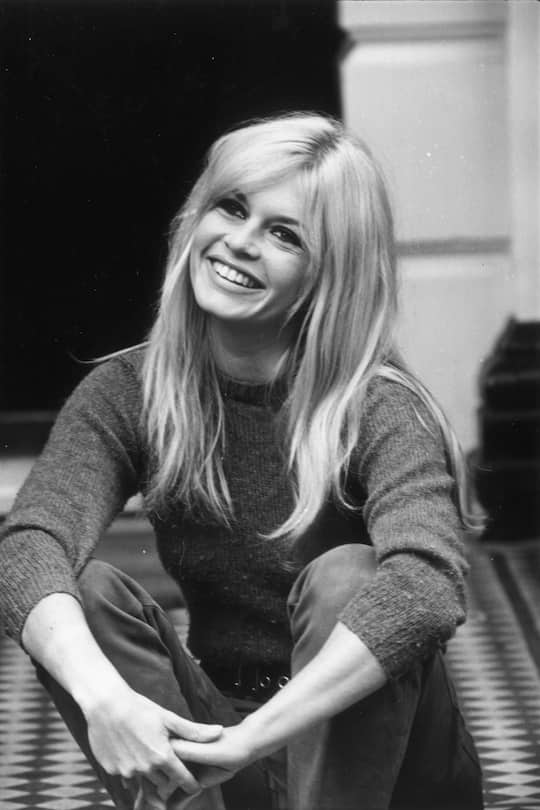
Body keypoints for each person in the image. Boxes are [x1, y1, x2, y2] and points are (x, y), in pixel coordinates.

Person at [0, 112, 483, 810]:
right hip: (228, 751)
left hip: (389, 762)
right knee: (90, 594)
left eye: (285, 235)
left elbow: (426, 587)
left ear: (329, 276)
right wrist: (103, 697)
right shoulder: (129, 393)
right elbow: (29, 543)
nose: (241, 242)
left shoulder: (378, 406)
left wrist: (254, 739)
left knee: (350, 575)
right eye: (232, 207)